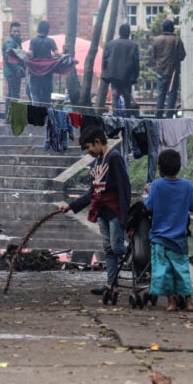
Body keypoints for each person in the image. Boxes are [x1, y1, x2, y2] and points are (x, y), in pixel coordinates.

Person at [59, 126, 131, 298]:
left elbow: (124, 188)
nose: (89, 152)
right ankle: (111, 284)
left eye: (89, 147)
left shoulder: (114, 158)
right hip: (102, 212)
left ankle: (139, 261)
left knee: (117, 246)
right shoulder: (97, 162)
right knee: (108, 249)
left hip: (114, 210)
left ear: (98, 142)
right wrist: (72, 205)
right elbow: (92, 192)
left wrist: (124, 214)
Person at [144, 149, 193, 312]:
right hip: (179, 239)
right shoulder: (187, 186)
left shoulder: (156, 186)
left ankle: (171, 302)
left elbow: (148, 206)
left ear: (160, 168)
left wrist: (148, 192)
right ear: (179, 166)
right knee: (182, 270)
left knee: (164, 271)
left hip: (159, 238)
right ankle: (189, 303)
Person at [102, 23, 140, 118]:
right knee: (127, 97)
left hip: (114, 75)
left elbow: (105, 60)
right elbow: (136, 63)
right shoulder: (133, 45)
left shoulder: (110, 44)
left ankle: (115, 115)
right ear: (128, 33)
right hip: (127, 76)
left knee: (115, 95)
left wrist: (105, 74)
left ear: (119, 32)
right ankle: (127, 117)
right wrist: (135, 76)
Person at [152, 19, 186, 118]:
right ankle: (169, 115)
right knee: (172, 94)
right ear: (172, 28)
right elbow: (182, 55)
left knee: (160, 93)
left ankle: (158, 115)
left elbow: (154, 56)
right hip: (173, 72)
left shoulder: (157, 40)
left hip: (160, 70)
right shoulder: (176, 40)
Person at [27, 20, 61, 108]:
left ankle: (37, 119)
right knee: (47, 98)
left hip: (34, 73)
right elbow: (57, 54)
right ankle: (47, 118)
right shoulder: (50, 41)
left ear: (38, 29)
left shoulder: (33, 41)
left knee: (35, 96)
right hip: (47, 73)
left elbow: (30, 54)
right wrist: (65, 54)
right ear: (47, 30)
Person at [2, 21, 26, 121]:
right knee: (14, 94)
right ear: (10, 31)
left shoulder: (16, 41)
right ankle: (11, 117)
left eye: (18, 31)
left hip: (13, 71)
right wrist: (18, 69)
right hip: (13, 72)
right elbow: (10, 57)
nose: (16, 33)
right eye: (14, 31)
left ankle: (8, 117)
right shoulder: (10, 42)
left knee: (11, 94)